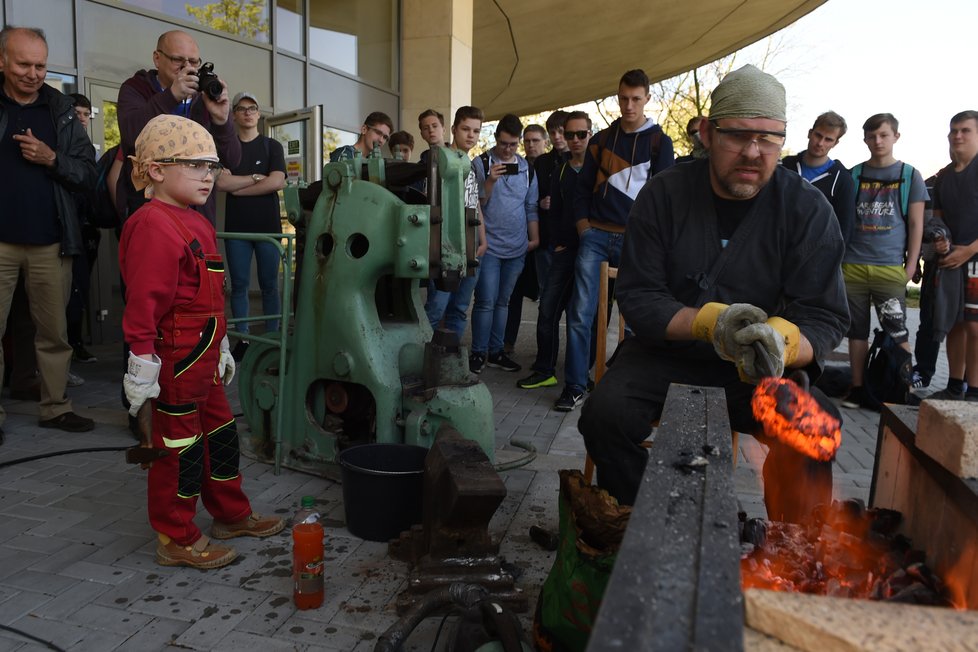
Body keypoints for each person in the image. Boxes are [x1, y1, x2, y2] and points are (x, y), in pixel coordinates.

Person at [578, 65, 850, 523]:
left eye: (769, 138)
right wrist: (710, 324)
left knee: (815, 426)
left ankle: (790, 549)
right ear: (706, 132)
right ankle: (655, 521)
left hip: (756, 374)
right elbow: (640, 295)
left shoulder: (807, 210)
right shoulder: (664, 194)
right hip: (663, 356)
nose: (752, 152)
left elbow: (825, 316)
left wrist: (782, 341)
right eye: (737, 135)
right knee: (603, 416)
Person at [120, 115, 285, 570]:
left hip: (206, 358)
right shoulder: (152, 224)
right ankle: (176, 537)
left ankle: (231, 516)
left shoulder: (197, 221)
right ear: (155, 170)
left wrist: (223, 345)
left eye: (212, 166)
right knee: (180, 451)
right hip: (174, 362)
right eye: (195, 165)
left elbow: (210, 297)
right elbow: (143, 307)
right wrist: (140, 366)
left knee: (220, 436)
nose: (208, 176)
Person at [0, 26, 97, 435]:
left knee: (54, 333)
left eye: (40, 65)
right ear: (2, 61)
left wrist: (52, 158)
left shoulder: (60, 109)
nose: (33, 73)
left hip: (51, 242)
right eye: (23, 64)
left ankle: (56, 407)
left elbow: (88, 173)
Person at [560, 69, 675, 411]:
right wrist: (584, 229)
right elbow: (580, 191)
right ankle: (575, 385)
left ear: (647, 99)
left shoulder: (659, 142)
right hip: (595, 238)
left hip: (635, 242)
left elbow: (665, 200)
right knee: (580, 313)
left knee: (637, 318)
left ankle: (628, 387)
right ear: (618, 97)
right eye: (623, 98)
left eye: (635, 99)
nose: (628, 105)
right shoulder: (600, 141)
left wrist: (652, 242)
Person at [840, 113, 926, 410]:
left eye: (884, 135)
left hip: (890, 267)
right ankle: (857, 389)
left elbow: (916, 224)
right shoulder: (852, 175)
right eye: (872, 136)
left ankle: (901, 390)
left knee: (897, 331)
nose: (878, 141)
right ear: (865, 139)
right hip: (852, 266)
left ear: (895, 137)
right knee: (856, 332)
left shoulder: (909, 175)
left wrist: (911, 265)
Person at [116, 30, 240, 225]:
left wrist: (222, 120)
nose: (187, 68)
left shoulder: (204, 98)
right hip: (150, 213)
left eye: (194, 61)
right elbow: (131, 136)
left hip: (198, 215)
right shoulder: (136, 88)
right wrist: (171, 96)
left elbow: (232, 159)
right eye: (178, 60)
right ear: (157, 58)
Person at [517, 111, 592, 390]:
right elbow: (552, 208)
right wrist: (558, 240)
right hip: (560, 249)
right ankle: (545, 368)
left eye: (578, 134)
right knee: (548, 310)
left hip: (593, 252)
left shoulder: (598, 168)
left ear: (589, 135)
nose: (571, 139)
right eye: (566, 134)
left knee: (583, 317)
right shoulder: (557, 167)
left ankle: (582, 375)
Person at [216, 92, 286, 362]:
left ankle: (271, 339)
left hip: (268, 229)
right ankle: (243, 339)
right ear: (233, 114)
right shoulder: (227, 149)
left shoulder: (272, 147)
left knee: (270, 285)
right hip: (237, 230)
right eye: (242, 108)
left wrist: (240, 186)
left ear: (258, 114)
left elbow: (277, 182)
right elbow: (221, 183)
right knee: (240, 286)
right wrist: (257, 178)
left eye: (252, 108)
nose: (247, 112)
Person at [470, 114, 539, 373]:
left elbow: (531, 206)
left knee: (504, 301)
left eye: (513, 144)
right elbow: (476, 204)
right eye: (503, 143)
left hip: (517, 247)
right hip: (489, 247)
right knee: (485, 300)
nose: (508, 149)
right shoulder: (481, 162)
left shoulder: (527, 169)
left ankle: (496, 351)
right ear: (496, 138)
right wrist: (490, 180)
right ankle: (478, 352)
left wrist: (535, 238)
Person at [424, 106, 488, 340]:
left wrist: (483, 237)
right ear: (453, 129)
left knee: (460, 310)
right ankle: (420, 362)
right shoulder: (438, 161)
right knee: (436, 308)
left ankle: (450, 362)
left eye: (476, 131)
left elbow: (475, 203)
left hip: (471, 244)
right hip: (444, 244)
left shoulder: (472, 164)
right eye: (465, 129)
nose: (471, 135)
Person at [928, 111, 978, 401]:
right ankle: (954, 385)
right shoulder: (944, 176)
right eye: (953, 130)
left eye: (965, 131)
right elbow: (938, 220)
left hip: (975, 257)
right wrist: (941, 242)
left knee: (974, 324)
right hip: (950, 261)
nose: (957, 135)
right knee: (954, 323)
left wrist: (969, 250)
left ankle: (974, 389)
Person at [503, 123, 550, 353]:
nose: (531, 145)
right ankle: (506, 341)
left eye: (536, 141)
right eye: (527, 141)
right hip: (519, 240)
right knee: (514, 294)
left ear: (545, 142)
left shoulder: (553, 165)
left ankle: (544, 351)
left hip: (546, 241)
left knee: (546, 298)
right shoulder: (518, 166)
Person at [780, 111, 856, 244]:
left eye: (828, 139)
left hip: (814, 254)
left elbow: (845, 227)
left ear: (835, 143)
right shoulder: (785, 166)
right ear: (810, 133)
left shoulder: (842, 179)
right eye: (818, 135)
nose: (820, 143)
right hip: (776, 245)